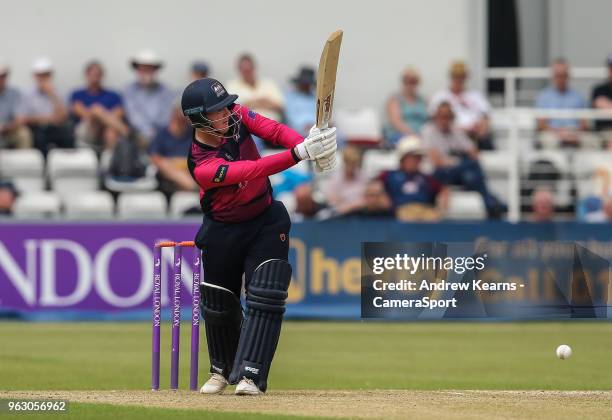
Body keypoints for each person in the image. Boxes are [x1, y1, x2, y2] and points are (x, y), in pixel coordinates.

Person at [181, 78, 336, 395]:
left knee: (266, 294)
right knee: (219, 303)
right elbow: (251, 170)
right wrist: (299, 154)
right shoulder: (202, 165)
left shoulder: (237, 114)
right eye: (216, 111)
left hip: (264, 220)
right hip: (222, 229)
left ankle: (251, 375)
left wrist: (310, 144)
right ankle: (221, 370)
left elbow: (275, 132)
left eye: (226, 106)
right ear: (198, 118)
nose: (227, 113)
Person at [423, 102, 504, 218]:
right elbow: (437, 162)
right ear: (436, 117)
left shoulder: (455, 131)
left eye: (448, 116)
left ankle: (489, 203)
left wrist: (458, 160)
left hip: (456, 172)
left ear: (452, 118)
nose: (445, 120)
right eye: (442, 116)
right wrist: (459, 161)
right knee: (471, 168)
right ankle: (490, 201)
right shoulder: (428, 131)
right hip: (437, 174)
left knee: (471, 175)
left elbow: (474, 153)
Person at [381, 136, 448, 221]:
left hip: (424, 213)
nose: (417, 161)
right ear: (403, 158)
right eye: (413, 157)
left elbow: (444, 190)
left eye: (419, 158)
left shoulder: (427, 178)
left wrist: (441, 206)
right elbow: (375, 187)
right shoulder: (388, 175)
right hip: (400, 212)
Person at [430, 61, 494, 150]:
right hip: (451, 135)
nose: (459, 79)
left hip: (474, 135)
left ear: (466, 77)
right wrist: (456, 129)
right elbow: (434, 119)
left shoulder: (475, 95)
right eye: (456, 76)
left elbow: (486, 116)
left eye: (461, 76)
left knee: (486, 141)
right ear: (451, 77)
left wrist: (481, 128)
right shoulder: (440, 96)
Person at [17, 58, 73, 155]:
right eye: (40, 75)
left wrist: (52, 95)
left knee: (67, 136)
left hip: (55, 128)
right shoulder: (28, 94)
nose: (43, 78)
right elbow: (23, 118)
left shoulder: (58, 92)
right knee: (39, 138)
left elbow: (63, 117)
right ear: (35, 76)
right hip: (36, 129)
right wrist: (47, 118)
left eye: (45, 75)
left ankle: (67, 165)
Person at [69, 61, 128, 150]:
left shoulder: (113, 95)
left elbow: (119, 112)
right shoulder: (77, 94)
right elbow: (84, 114)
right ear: (86, 75)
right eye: (92, 74)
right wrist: (101, 116)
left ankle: (108, 159)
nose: (95, 78)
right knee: (96, 109)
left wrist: (104, 119)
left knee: (111, 131)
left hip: (106, 129)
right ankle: (128, 133)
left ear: (102, 76)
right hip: (87, 129)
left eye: (97, 75)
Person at [535, 58, 591, 148]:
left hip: (574, 133)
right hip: (552, 133)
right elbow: (541, 124)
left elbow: (584, 123)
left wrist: (575, 134)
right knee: (547, 140)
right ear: (553, 76)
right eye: (558, 75)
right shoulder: (544, 97)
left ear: (568, 76)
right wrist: (557, 133)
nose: (561, 79)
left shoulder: (578, 97)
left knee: (590, 141)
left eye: (563, 75)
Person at [123, 50, 174, 143]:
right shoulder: (129, 90)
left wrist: (157, 132)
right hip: (137, 134)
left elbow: (166, 114)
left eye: (149, 69)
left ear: (155, 70)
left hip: (162, 133)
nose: (146, 72)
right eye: (143, 69)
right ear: (138, 70)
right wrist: (148, 131)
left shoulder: (165, 90)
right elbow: (133, 115)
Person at [148, 104, 196, 194]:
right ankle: (194, 187)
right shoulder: (161, 134)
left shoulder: (193, 133)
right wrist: (175, 163)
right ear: (174, 116)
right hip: (168, 173)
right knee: (165, 165)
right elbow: (155, 158)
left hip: (189, 168)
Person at [226, 54, 284, 124]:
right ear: (239, 70)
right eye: (245, 70)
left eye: (249, 69)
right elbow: (232, 110)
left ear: (254, 68)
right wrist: (262, 101)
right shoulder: (232, 85)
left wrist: (250, 104)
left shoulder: (269, 83)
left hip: (274, 125)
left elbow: (280, 106)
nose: (247, 73)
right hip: (248, 129)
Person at [384, 67, 428, 145]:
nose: (410, 85)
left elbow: (430, 120)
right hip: (400, 135)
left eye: (413, 82)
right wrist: (413, 135)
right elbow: (396, 122)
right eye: (407, 81)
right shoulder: (395, 100)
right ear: (403, 82)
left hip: (422, 136)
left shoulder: (424, 100)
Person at [323, 146, 367, 216]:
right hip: (340, 215)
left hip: (360, 214)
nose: (352, 166)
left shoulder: (363, 177)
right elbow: (331, 200)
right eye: (350, 163)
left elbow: (366, 199)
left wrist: (351, 206)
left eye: (354, 163)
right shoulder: (335, 178)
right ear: (345, 162)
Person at [0, 61, 32, 149]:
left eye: (2, 76)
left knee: (24, 134)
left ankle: (23, 162)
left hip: (9, 131)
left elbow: (21, 118)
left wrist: (7, 127)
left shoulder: (15, 93)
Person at [284, 66, 316, 136]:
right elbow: (290, 116)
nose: (306, 85)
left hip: (316, 127)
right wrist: (304, 126)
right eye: (304, 83)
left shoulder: (315, 96)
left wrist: (315, 125)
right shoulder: (290, 96)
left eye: (308, 83)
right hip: (299, 128)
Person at [591, 54, 612, 145]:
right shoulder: (599, 90)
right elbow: (598, 103)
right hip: (602, 132)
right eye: (611, 68)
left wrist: (607, 105)